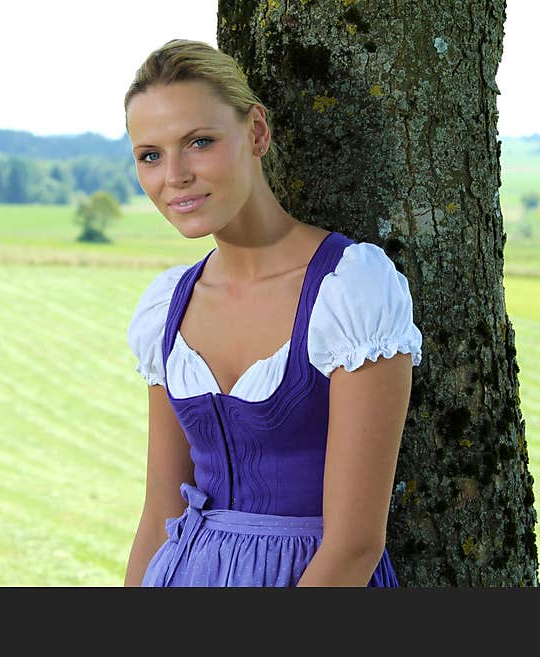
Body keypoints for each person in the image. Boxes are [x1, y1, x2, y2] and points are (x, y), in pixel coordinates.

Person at [122, 39, 424, 587]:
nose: (176, 176)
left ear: (256, 132)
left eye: (199, 142)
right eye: (151, 155)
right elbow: (159, 513)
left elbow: (355, 545)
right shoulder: (168, 307)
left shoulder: (348, 290)